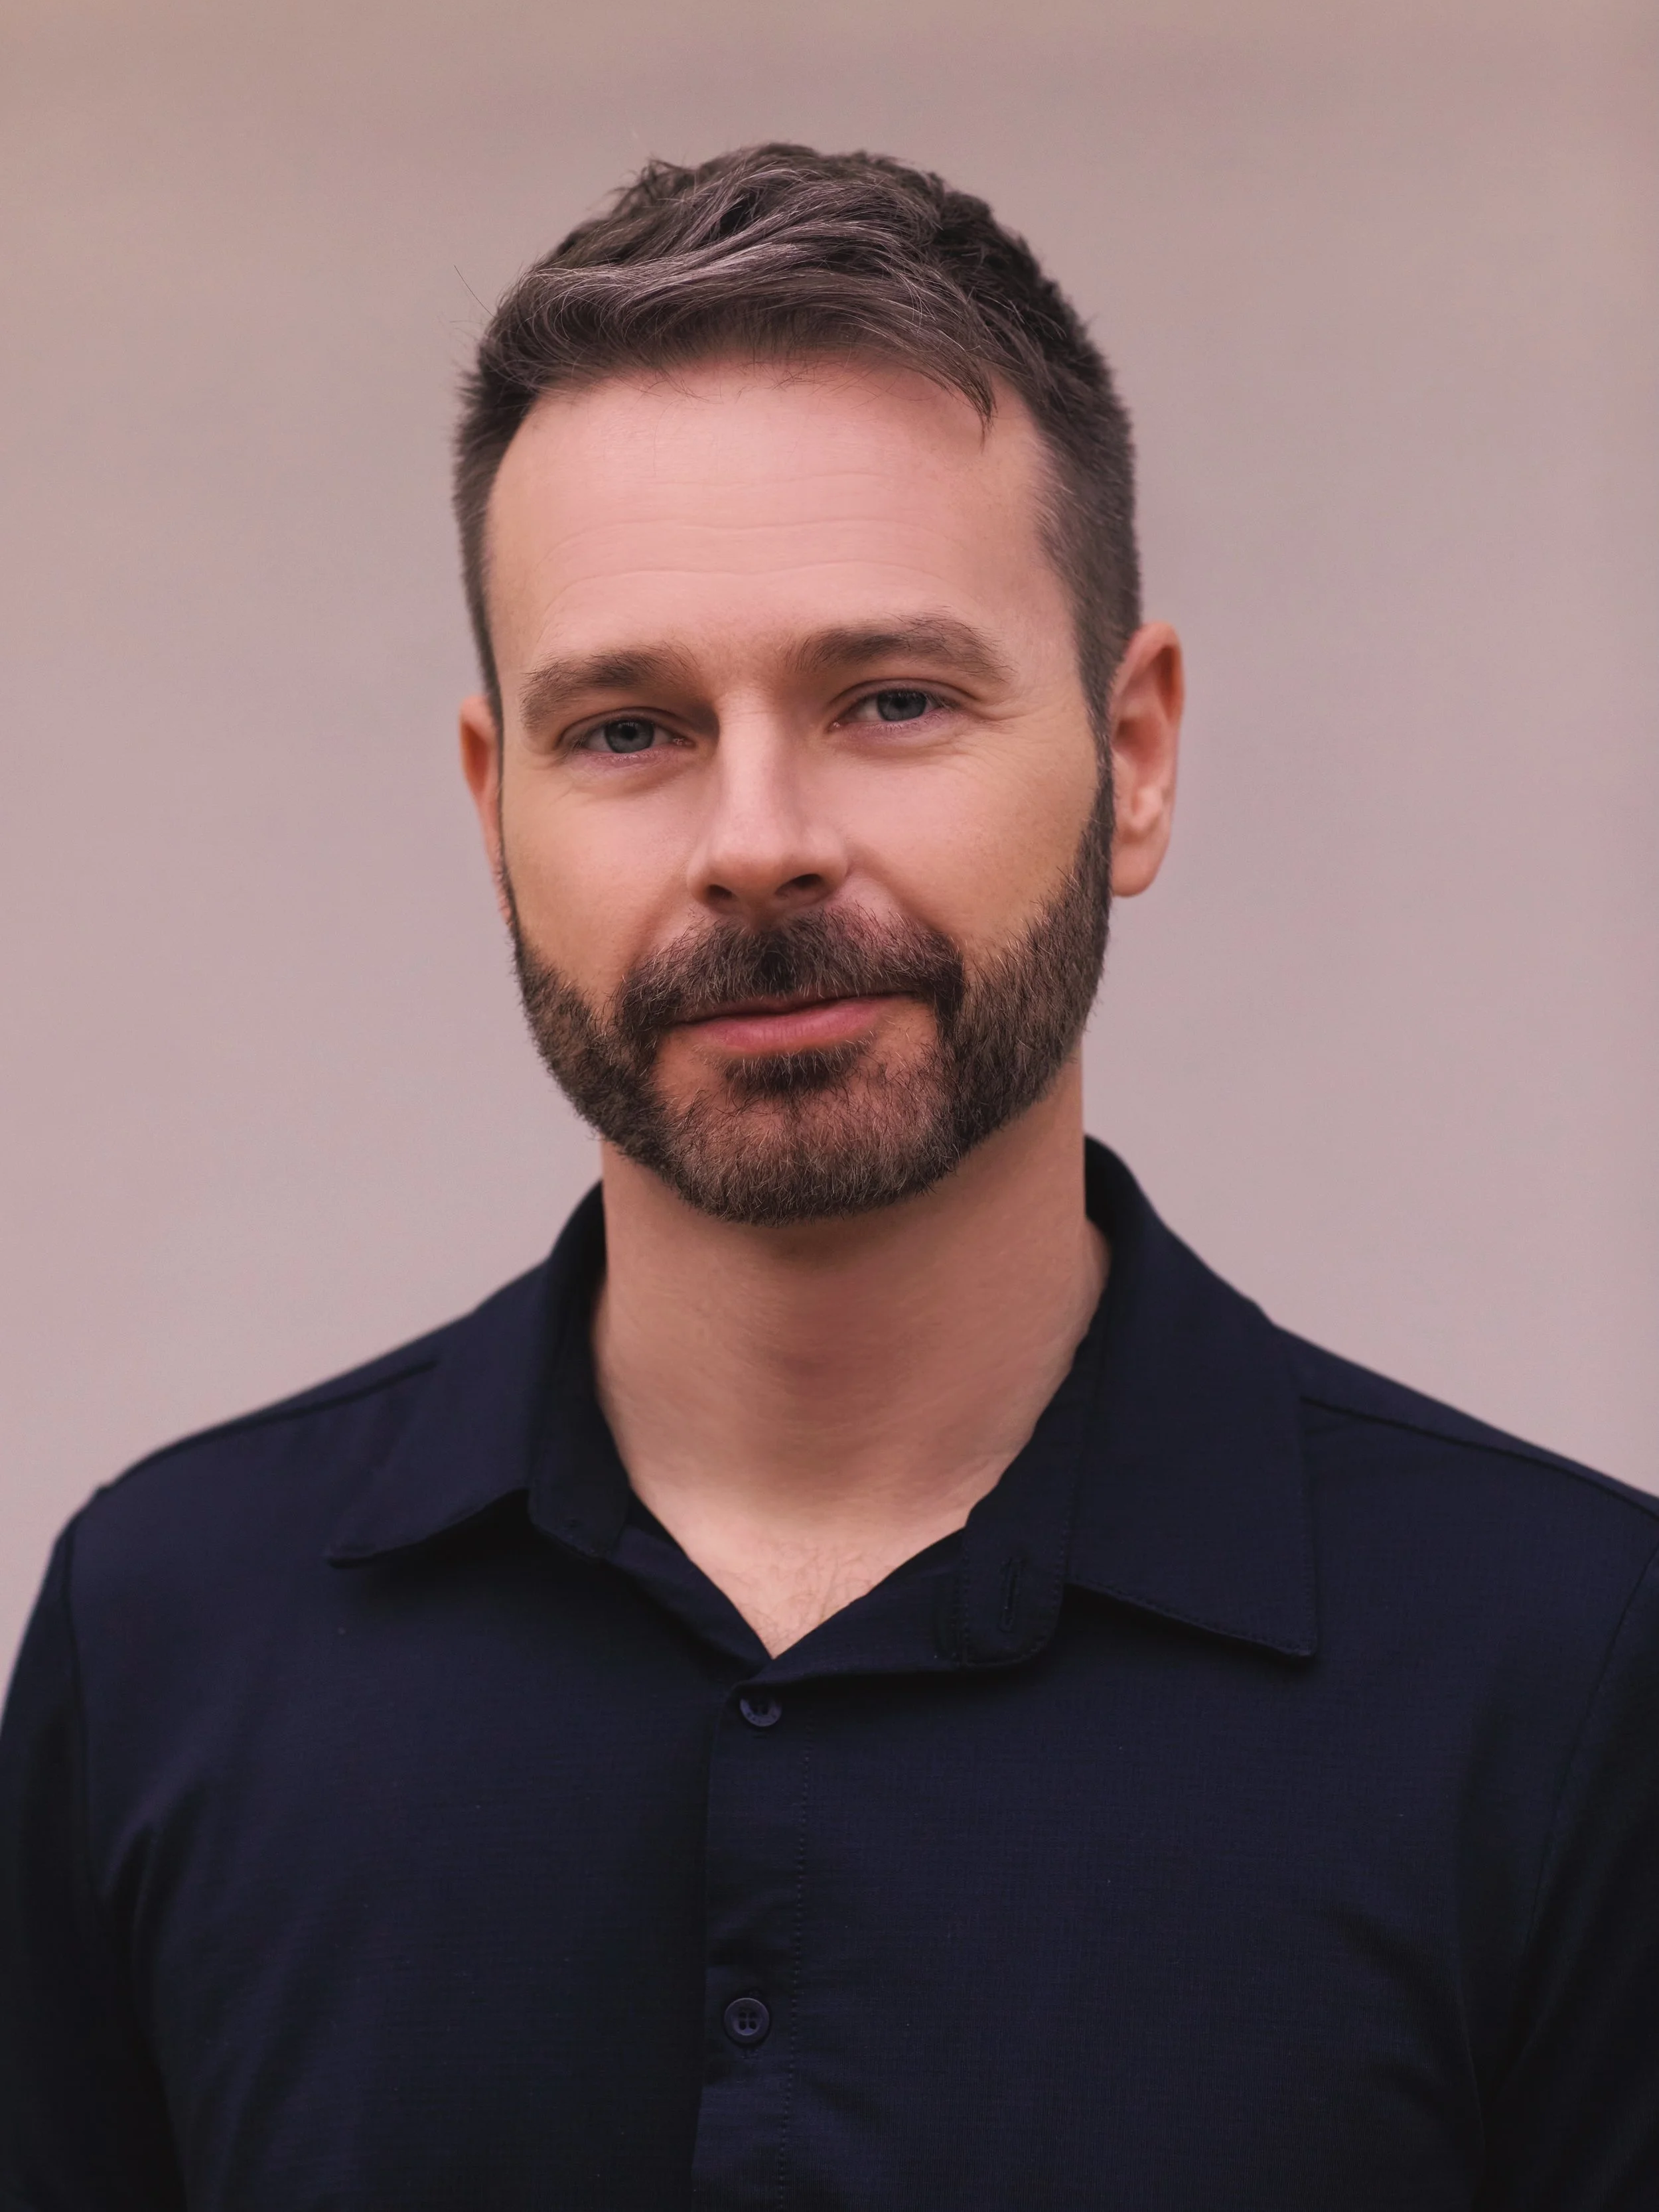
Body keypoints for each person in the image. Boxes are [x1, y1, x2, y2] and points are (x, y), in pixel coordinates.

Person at [1, 144, 1654, 2212]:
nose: (757, 838)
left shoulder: (1569, 1671)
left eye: (888, 698)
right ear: (489, 800)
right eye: (626, 728)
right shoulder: (165, 1636)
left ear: (1131, 754)